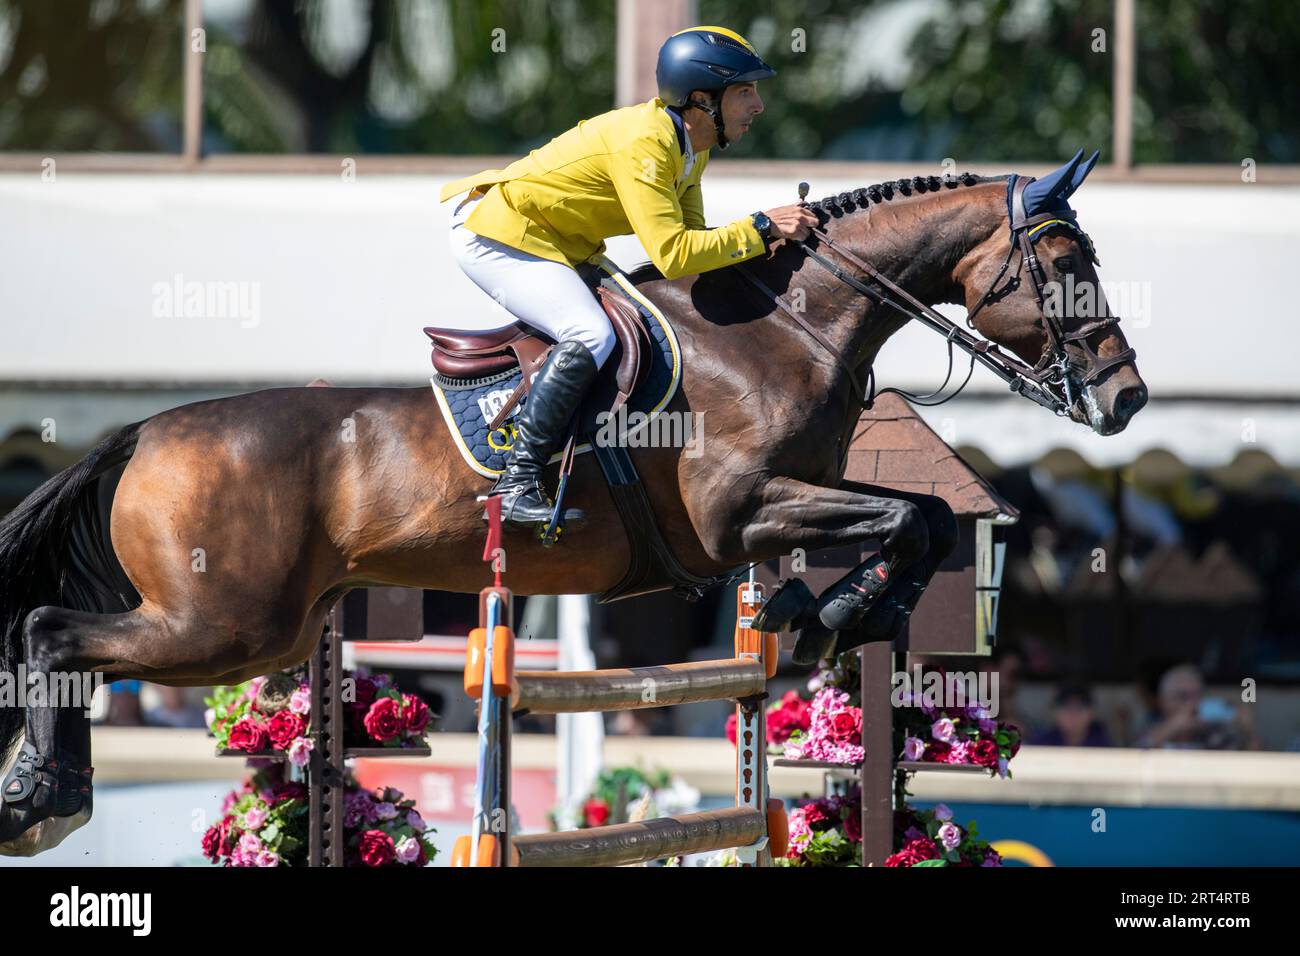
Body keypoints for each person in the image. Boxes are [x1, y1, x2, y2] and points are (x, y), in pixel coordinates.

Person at [439, 26, 818, 535]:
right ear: (703, 100)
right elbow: (674, 253)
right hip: (497, 235)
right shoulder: (647, 144)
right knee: (590, 334)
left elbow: (694, 242)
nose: (759, 105)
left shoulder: (693, 145)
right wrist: (761, 226)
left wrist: (765, 248)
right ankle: (516, 482)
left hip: (556, 242)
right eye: (746, 91)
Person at [1030, 682, 1112, 747]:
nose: (1073, 715)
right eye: (1066, 708)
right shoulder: (1043, 744)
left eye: (1079, 708)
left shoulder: (1103, 746)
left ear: (1091, 713)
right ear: (1055, 712)